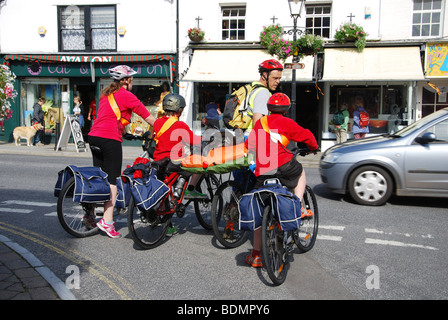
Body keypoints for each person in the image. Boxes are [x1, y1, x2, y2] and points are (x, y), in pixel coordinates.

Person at [244, 93, 319, 268]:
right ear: (286, 109)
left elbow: (250, 146)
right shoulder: (287, 122)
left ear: (268, 108)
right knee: (300, 172)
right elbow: (306, 135)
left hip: (264, 171)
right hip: (284, 165)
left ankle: (256, 255)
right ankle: (297, 206)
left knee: (260, 212)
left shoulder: (260, 124)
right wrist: (313, 147)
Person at [88, 65, 156, 238]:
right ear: (126, 81)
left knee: (100, 178)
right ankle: (107, 222)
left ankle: (88, 215)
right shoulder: (127, 96)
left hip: (94, 136)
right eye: (131, 79)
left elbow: (109, 116)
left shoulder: (106, 95)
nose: (132, 82)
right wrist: (165, 129)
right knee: (112, 180)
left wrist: (127, 132)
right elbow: (147, 117)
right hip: (109, 139)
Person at [152, 93, 206, 199]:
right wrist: (205, 138)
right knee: (200, 164)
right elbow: (193, 140)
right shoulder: (179, 125)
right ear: (179, 110)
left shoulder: (157, 123)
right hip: (175, 162)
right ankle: (188, 188)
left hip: (158, 160)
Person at [251, 59, 284, 127]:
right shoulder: (263, 93)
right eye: (275, 78)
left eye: (279, 78)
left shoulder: (252, 88)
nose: (278, 81)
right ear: (264, 76)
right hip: (252, 136)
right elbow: (258, 124)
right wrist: (262, 138)